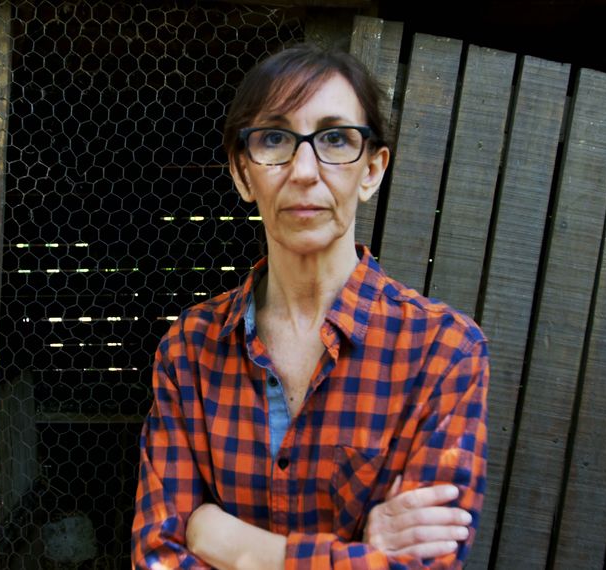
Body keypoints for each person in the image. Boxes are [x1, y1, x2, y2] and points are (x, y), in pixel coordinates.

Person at [132, 43, 488, 569]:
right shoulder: (191, 348)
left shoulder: (445, 351)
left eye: (335, 139)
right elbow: (157, 556)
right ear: (241, 172)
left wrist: (226, 540)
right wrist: (360, 553)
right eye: (274, 138)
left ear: (371, 170)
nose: (304, 170)